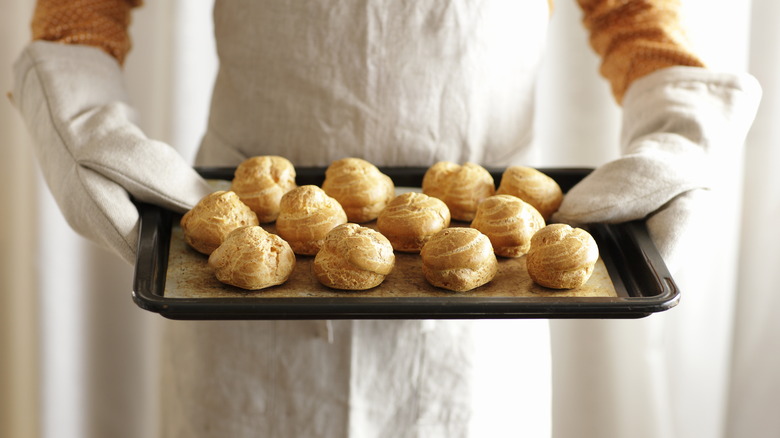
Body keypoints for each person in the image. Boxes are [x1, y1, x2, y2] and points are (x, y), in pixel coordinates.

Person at [11, 0, 761, 436]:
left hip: (479, 297)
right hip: (245, 299)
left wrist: (678, 125)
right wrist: (79, 114)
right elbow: (85, 11)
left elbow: (636, 19)